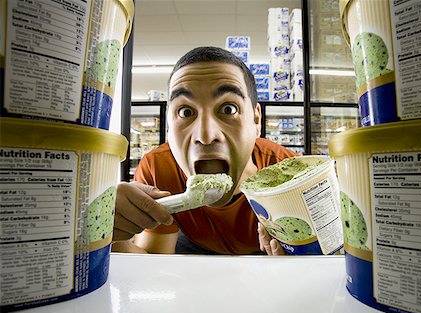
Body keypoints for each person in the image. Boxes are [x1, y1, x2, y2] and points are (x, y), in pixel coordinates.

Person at [112, 46, 297, 255]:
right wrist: (110, 237)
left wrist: (296, 263)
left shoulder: (289, 172)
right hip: (194, 245)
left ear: (256, 120)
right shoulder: (158, 168)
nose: (206, 136)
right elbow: (154, 263)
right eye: (185, 111)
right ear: (168, 129)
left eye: (229, 109)